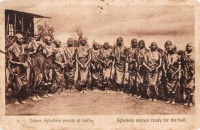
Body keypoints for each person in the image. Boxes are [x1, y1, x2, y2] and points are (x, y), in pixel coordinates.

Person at [7, 34, 30, 104]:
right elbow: (10, 61)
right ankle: (16, 99)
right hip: (16, 68)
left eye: (22, 39)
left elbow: (26, 56)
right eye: (20, 39)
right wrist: (20, 63)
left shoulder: (23, 47)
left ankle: (20, 98)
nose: (21, 40)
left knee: (24, 84)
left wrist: (27, 61)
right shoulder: (11, 48)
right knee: (18, 85)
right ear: (15, 39)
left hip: (23, 69)